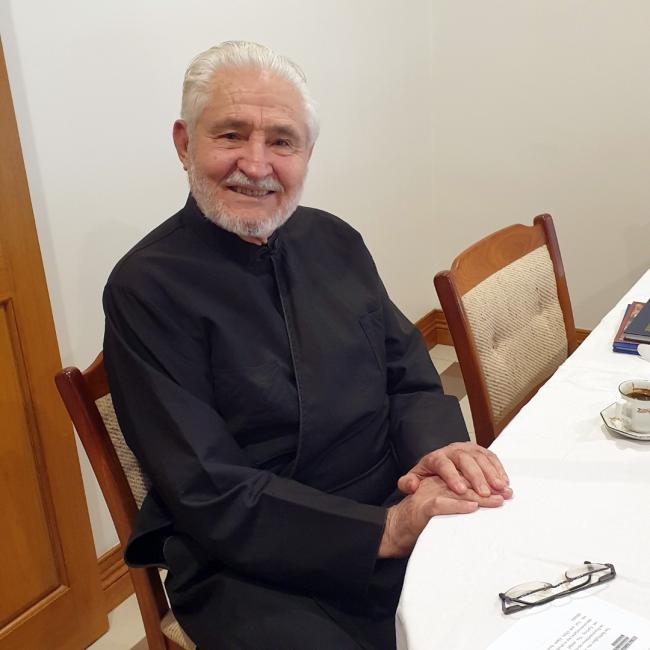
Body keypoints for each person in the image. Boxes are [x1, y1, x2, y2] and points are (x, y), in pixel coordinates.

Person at [103, 41, 512, 650]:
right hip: (249, 555)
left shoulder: (335, 240)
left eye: (282, 142)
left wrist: (438, 455)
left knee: (525, 591)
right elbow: (207, 485)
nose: (257, 164)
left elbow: (409, 376)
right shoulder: (144, 288)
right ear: (184, 144)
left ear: (307, 154)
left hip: (390, 490)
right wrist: (387, 531)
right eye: (231, 135)